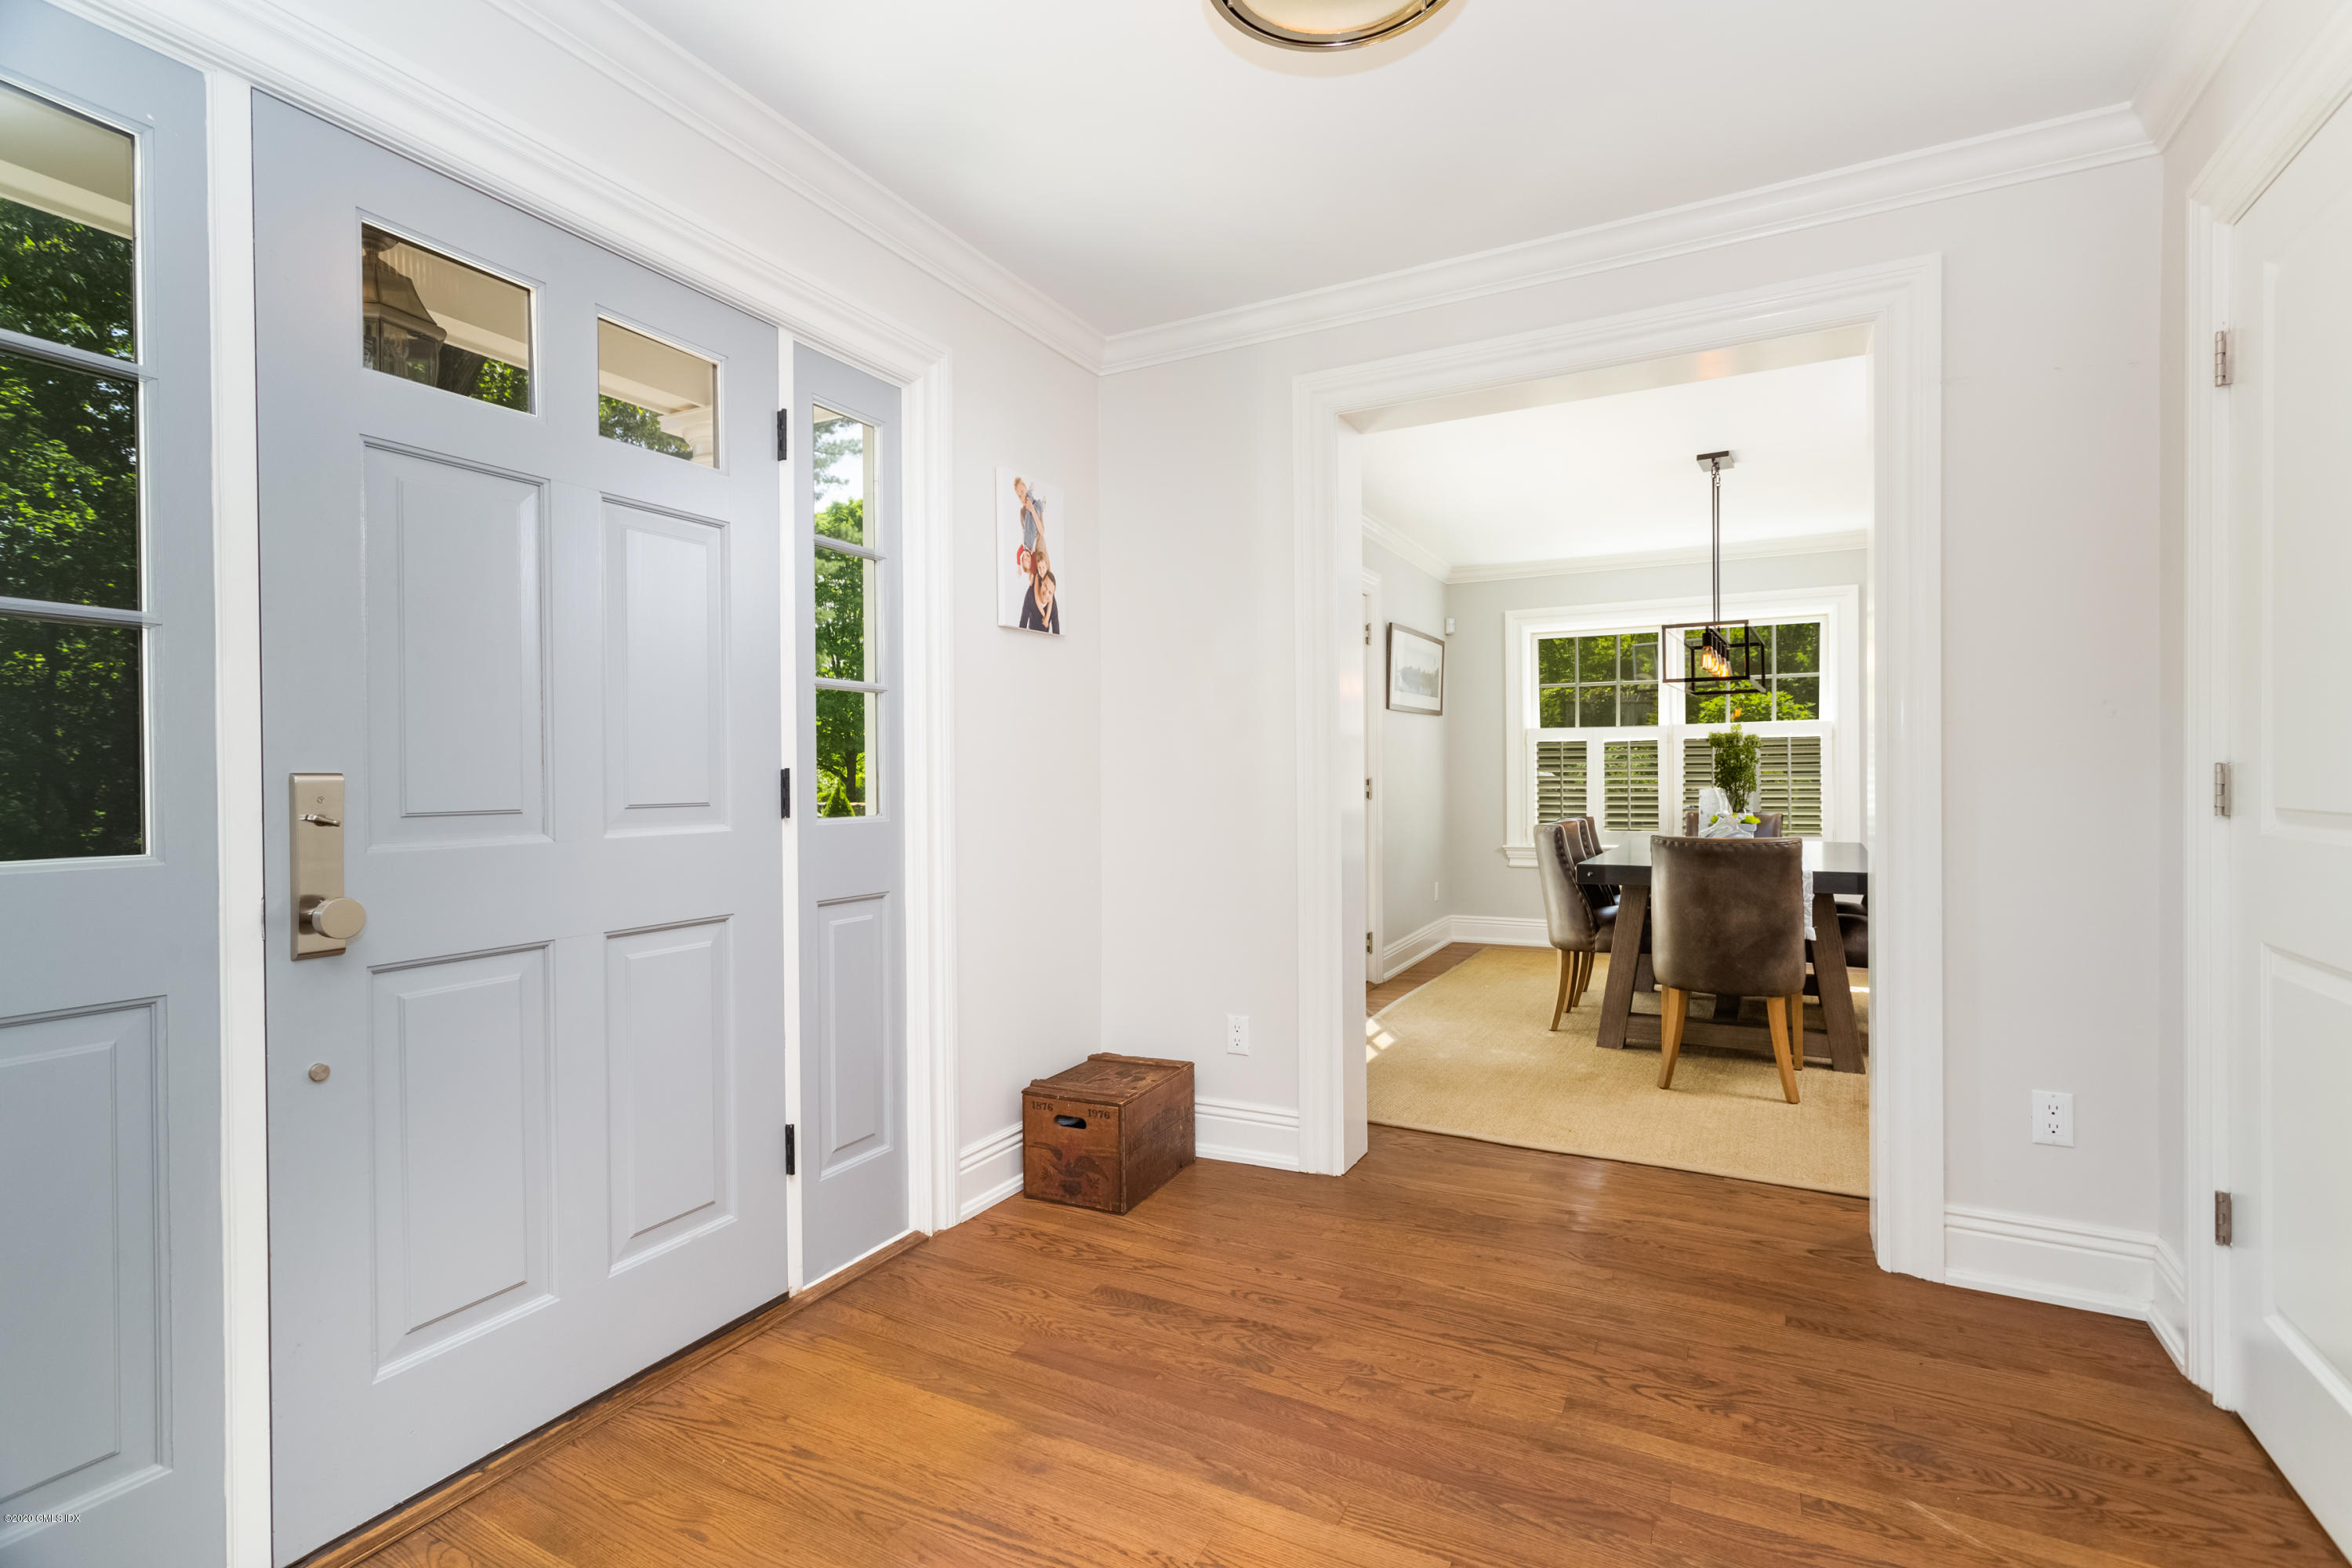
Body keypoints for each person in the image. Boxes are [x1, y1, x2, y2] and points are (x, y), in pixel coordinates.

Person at [1019, 566, 1060, 634]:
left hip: (1045, 639)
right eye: (1045, 586)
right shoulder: (1031, 594)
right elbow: (1022, 625)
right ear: (1041, 582)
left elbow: (1056, 632)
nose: (1046, 593)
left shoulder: (1053, 604)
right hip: (1030, 635)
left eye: (1050, 593)